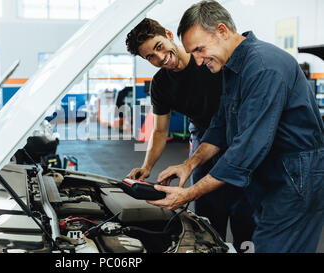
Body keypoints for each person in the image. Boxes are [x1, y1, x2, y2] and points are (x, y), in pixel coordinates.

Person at [150, 0, 324, 253]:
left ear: (222, 31)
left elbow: (247, 148)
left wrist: (189, 194)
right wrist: (188, 164)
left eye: (199, 49)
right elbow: (221, 126)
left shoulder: (263, 67)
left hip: (296, 175)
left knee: (272, 246)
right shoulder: (233, 68)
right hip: (271, 172)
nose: (197, 61)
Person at [125, 18, 254, 251]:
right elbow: (160, 130)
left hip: (236, 134)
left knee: (243, 212)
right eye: (150, 57)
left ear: (168, 34)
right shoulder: (161, 84)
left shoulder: (206, 58)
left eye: (158, 46)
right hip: (203, 137)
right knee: (207, 216)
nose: (160, 57)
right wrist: (147, 166)